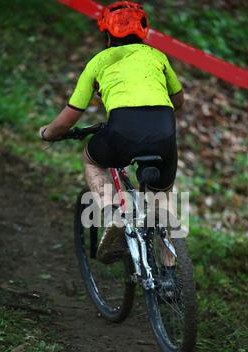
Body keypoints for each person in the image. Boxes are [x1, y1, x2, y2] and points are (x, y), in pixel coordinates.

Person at [39, 1, 184, 264]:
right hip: (164, 130)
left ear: (107, 34)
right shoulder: (157, 57)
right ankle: (172, 268)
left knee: (92, 159)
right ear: (142, 32)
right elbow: (179, 101)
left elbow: (70, 115)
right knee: (162, 194)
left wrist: (48, 134)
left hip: (123, 131)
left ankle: (115, 215)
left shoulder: (98, 62)